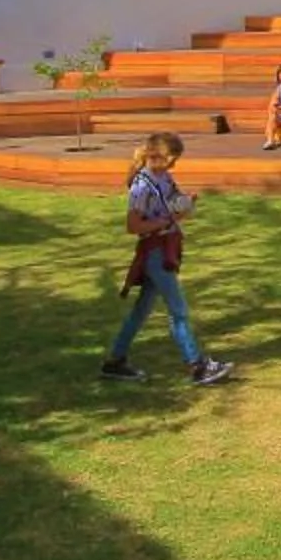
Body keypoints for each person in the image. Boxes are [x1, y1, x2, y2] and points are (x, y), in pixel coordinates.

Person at [103, 133, 237, 386]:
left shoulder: (163, 177)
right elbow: (133, 225)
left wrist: (185, 205)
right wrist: (164, 221)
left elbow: (172, 208)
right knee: (178, 311)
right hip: (155, 252)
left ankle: (115, 361)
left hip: (167, 246)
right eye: (170, 159)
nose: (174, 165)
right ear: (155, 156)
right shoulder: (142, 185)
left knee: (141, 311)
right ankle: (196, 366)